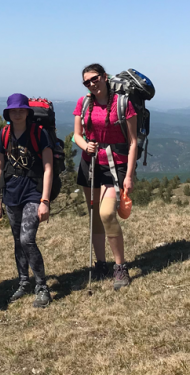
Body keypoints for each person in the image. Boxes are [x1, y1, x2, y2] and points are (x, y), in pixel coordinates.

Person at [73, 63, 138, 290]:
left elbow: (132, 142)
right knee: (94, 217)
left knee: (107, 213)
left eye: (95, 79)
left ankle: (120, 267)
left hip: (115, 164)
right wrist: (86, 146)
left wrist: (129, 175)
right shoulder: (83, 103)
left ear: (104, 77)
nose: (92, 84)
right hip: (89, 163)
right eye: (87, 82)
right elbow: (77, 135)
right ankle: (101, 264)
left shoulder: (123, 103)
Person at [0, 93, 54, 307]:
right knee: (18, 241)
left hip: (33, 193)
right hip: (11, 194)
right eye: (13, 110)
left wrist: (45, 200)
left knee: (27, 239)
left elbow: (48, 167)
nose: (17, 113)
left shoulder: (40, 133)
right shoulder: (4, 134)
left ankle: (42, 286)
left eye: (21, 109)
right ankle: (23, 281)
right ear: (8, 113)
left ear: (28, 112)